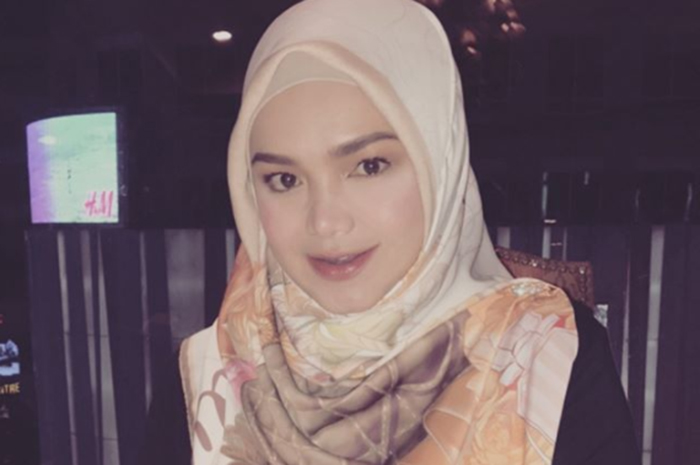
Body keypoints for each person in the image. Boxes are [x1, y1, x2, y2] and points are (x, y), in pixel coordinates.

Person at [141, 0, 640, 463]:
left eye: (369, 165)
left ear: (438, 166)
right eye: (285, 180)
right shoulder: (202, 378)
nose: (326, 222)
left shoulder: (545, 361)